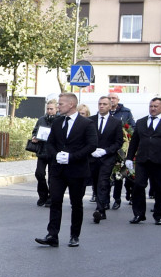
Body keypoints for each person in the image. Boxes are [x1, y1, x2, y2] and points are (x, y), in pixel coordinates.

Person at [35, 93, 97, 248]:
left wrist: (71, 157)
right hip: (58, 170)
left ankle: (74, 235)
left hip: (77, 170)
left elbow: (91, 145)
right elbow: (50, 143)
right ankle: (52, 235)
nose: (58, 107)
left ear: (71, 104)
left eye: (61, 104)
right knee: (55, 201)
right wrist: (56, 156)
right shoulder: (57, 122)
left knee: (76, 204)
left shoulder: (86, 124)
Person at [126, 97, 161, 225]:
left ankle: (158, 214)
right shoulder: (141, 122)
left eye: (156, 106)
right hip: (143, 160)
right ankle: (139, 214)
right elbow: (134, 141)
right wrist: (129, 157)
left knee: (160, 189)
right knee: (139, 186)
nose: (153, 108)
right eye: (151, 106)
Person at [89, 96, 124, 224]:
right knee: (95, 182)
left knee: (103, 182)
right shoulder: (90, 120)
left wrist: (105, 151)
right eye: (100, 104)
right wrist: (91, 150)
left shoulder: (115, 122)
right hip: (92, 157)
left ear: (110, 106)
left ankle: (100, 210)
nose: (101, 106)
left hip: (107, 158)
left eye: (104, 104)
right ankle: (102, 204)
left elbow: (118, 142)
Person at [108, 92, 135, 209]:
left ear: (118, 100)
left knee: (118, 175)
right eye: (109, 98)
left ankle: (117, 199)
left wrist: (127, 135)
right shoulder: (103, 112)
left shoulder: (126, 112)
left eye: (113, 98)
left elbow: (132, 128)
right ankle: (104, 199)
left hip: (120, 149)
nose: (111, 100)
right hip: (107, 147)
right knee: (105, 175)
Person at [30, 99, 59, 206]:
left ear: (56, 109)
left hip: (54, 153)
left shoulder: (60, 120)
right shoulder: (42, 119)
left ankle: (51, 197)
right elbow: (35, 131)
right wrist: (34, 137)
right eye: (48, 109)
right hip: (42, 151)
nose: (49, 111)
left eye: (51, 109)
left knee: (52, 177)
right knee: (39, 173)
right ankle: (43, 195)